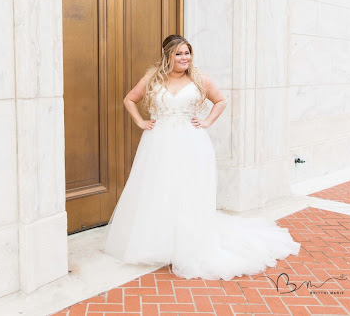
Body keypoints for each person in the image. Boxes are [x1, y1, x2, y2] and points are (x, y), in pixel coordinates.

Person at [103, 34, 300, 280]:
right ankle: (160, 242)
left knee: (189, 191)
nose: (185, 57)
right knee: (159, 189)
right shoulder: (152, 78)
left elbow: (220, 100)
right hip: (157, 144)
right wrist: (140, 121)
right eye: (179, 53)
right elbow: (129, 99)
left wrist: (207, 121)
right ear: (168, 56)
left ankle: (189, 242)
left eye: (187, 53)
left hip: (191, 143)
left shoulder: (199, 79)